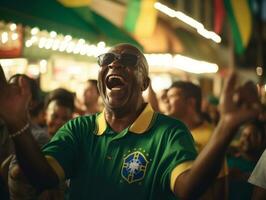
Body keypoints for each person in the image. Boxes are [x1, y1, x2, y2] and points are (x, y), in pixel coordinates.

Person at [0, 44, 261, 200]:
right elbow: (42, 177)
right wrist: (17, 123)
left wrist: (226, 127)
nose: (115, 64)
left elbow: (188, 188)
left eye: (128, 61)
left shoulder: (169, 133)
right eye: (107, 60)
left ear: (144, 82)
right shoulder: (78, 129)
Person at [167, 81, 228, 199]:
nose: (166, 101)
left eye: (172, 96)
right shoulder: (170, 133)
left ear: (190, 102)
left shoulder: (212, 136)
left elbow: (220, 180)